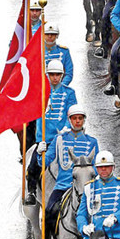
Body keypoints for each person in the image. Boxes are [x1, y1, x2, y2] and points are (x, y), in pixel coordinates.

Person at [41, 104, 99, 239]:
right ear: (70, 120)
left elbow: (97, 165)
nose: (77, 121)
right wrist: (41, 153)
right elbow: (47, 159)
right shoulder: (60, 140)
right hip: (63, 186)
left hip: (86, 188)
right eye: (74, 119)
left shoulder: (92, 142)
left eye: (80, 118)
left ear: (84, 120)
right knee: (49, 212)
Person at [24, 59, 78, 204]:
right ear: (47, 75)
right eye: (52, 74)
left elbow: (72, 112)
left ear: (62, 75)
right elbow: (30, 110)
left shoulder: (69, 92)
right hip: (45, 139)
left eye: (58, 75)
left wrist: (67, 127)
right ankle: (31, 192)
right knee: (34, 163)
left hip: (63, 137)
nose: (55, 77)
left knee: (81, 160)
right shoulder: (40, 91)